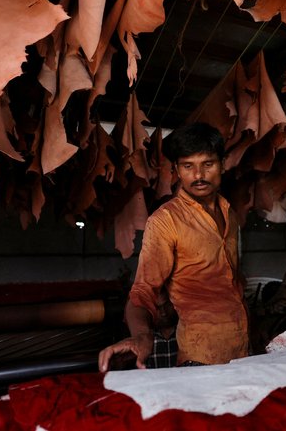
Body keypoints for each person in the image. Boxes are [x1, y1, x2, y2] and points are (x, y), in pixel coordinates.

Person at [98, 122, 248, 371]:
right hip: (200, 359)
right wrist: (142, 336)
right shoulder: (165, 221)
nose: (198, 175)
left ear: (223, 164)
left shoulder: (229, 212)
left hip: (243, 353)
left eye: (207, 164)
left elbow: (234, 283)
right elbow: (143, 291)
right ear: (177, 170)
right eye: (188, 166)